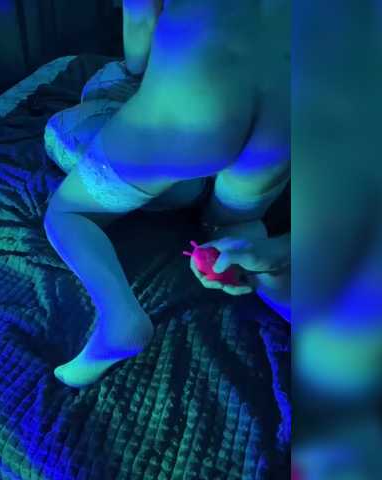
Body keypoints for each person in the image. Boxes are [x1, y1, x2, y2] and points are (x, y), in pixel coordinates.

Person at [44, 0, 289, 387]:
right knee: (233, 226)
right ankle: (275, 280)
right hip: (287, 113)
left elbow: (141, 20)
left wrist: (139, 76)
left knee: (68, 213)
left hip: (202, 95)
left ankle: (120, 319)